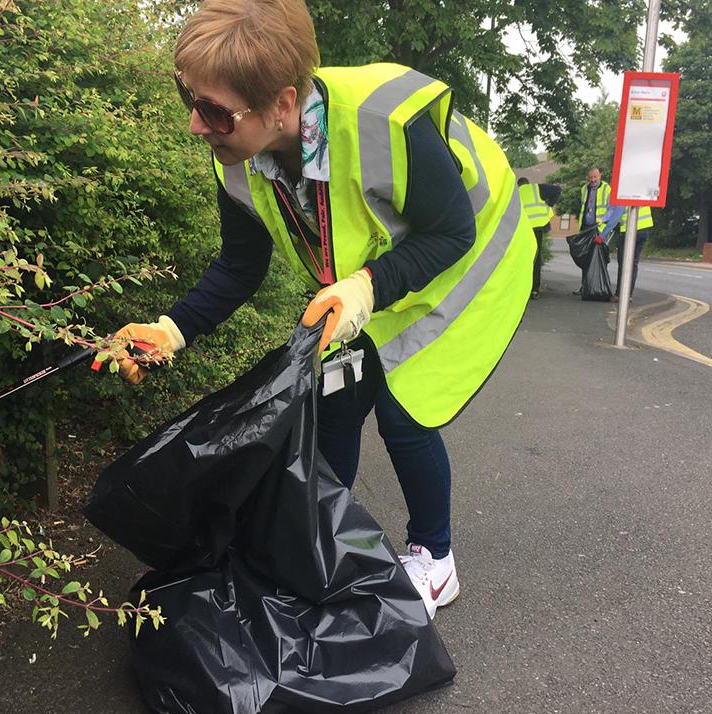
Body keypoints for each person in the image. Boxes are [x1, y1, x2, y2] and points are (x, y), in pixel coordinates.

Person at [94, 0, 535, 615]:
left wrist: (367, 287)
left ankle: (435, 561)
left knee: (405, 409)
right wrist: (173, 330)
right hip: (376, 272)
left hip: (472, 254)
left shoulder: (383, 123)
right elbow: (239, 267)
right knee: (335, 397)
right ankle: (322, 534)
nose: (196, 125)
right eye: (187, 99)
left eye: (214, 111)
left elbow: (452, 232)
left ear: (281, 104)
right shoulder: (238, 155)